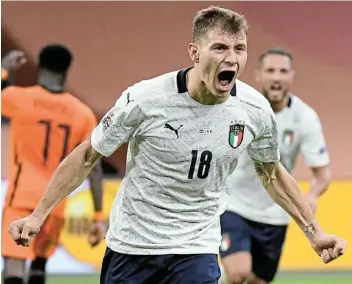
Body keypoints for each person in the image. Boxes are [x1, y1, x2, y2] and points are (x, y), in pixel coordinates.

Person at [8, 6, 346, 284]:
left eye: (239, 49)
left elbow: (271, 172)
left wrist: (314, 232)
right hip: (134, 245)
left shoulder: (254, 110)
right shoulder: (145, 99)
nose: (232, 58)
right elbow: (87, 156)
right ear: (194, 52)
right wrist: (39, 214)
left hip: (196, 246)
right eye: (220, 48)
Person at [218, 47, 332, 284]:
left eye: (283, 71)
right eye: (270, 70)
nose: (276, 76)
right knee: (238, 273)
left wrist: (312, 194)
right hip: (234, 204)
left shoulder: (305, 118)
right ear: (258, 75)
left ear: (292, 76)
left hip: (276, 213)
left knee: (258, 280)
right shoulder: (238, 108)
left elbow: (322, 174)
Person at [1, 45, 105, 284]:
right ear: (67, 71)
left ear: (39, 66)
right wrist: (98, 215)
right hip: (55, 202)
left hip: (21, 198)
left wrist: (4, 71)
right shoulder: (82, 113)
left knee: (14, 266)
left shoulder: (19, 98)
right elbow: (94, 167)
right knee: (39, 267)